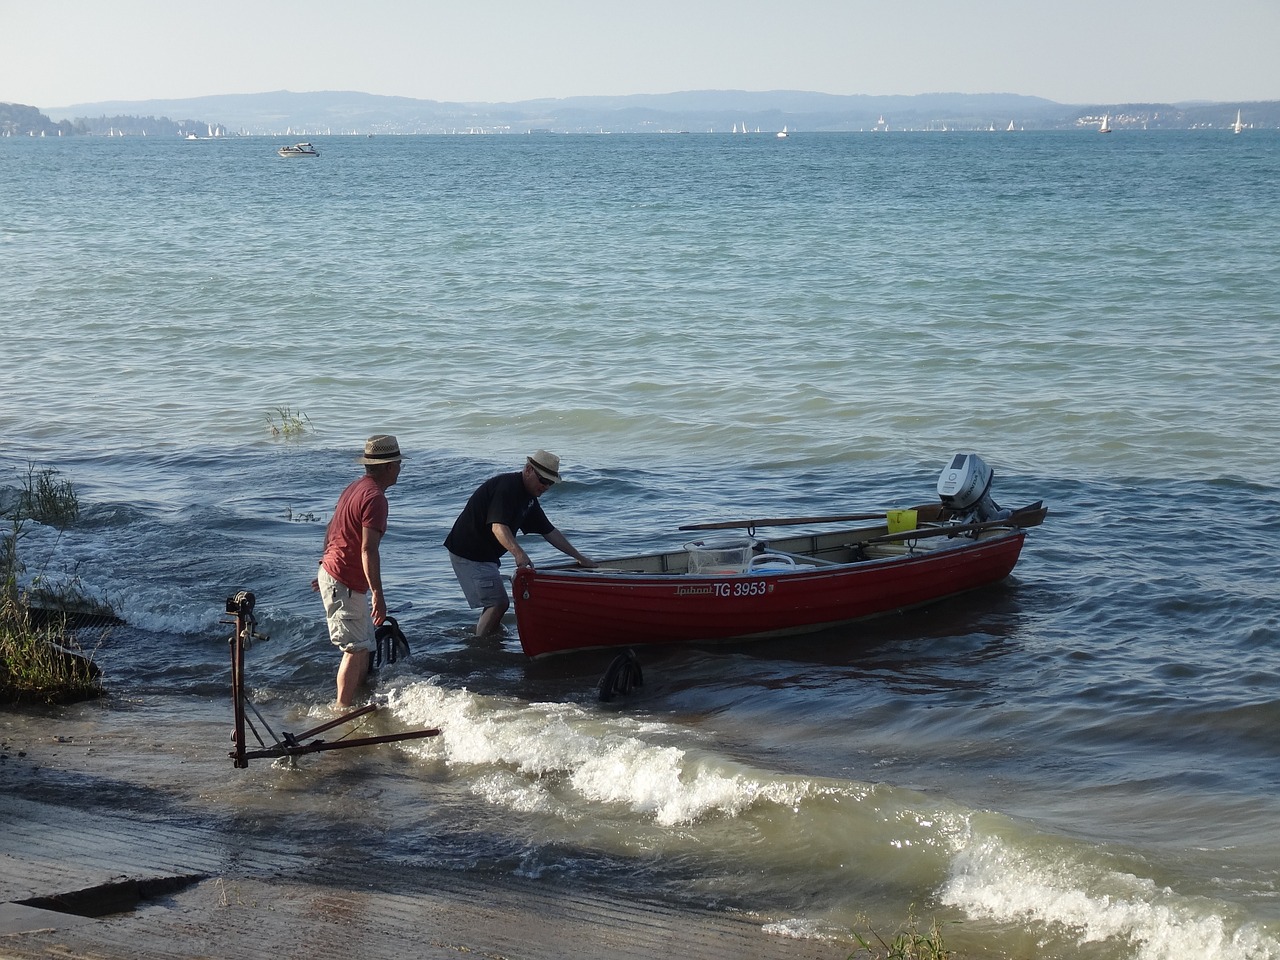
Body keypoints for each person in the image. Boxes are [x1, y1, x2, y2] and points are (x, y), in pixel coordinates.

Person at [445, 449, 596, 637]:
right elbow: (498, 527)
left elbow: (549, 531)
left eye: (550, 483)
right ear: (528, 470)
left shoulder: (529, 498)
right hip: (469, 551)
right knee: (498, 603)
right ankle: (480, 648)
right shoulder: (507, 488)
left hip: (485, 555)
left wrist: (580, 558)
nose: (545, 487)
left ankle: (486, 637)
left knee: (496, 605)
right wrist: (519, 554)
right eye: (543, 480)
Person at [314, 434, 405, 706]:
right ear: (389, 466)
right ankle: (342, 709)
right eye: (398, 463)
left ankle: (358, 700)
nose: (400, 468)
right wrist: (378, 594)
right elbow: (368, 549)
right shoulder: (375, 498)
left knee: (366, 644)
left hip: (338, 575)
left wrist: (326, 565)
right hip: (344, 581)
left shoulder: (354, 488)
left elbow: (332, 528)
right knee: (355, 649)